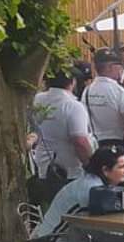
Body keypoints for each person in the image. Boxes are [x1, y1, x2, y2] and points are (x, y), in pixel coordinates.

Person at [30, 63, 95, 204]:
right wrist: (91, 165)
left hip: (43, 167)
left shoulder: (37, 100)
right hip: (68, 171)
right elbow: (80, 141)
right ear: (73, 82)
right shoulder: (73, 106)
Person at [83, 48, 124, 146]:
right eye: (118, 65)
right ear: (110, 68)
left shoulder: (87, 90)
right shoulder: (119, 91)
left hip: (95, 144)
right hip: (118, 144)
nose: (120, 69)